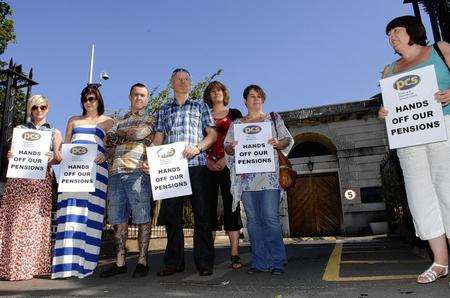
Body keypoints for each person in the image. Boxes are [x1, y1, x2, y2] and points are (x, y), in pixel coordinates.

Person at [378, 16, 450, 284]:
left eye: (396, 30)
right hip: (409, 138)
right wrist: (384, 112)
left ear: (412, 30)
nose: (391, 37)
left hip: (443, 127)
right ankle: (440, 262)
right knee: (420, 198)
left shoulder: (441, 51)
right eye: (388, 34)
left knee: (447, 190)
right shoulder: (389, 70)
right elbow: (390, 104)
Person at [154, 68, 217, 277]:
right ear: (172, 83)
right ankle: (174, 262)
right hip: (171, 170)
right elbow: (158, 139)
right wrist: (150, 160)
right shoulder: (163, 109)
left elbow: (212, 135)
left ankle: (204, 263)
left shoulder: (201, 106)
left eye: (186, 79)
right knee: (172, 216)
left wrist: (198, 147)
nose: (183, 82)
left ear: (190, 83)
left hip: (197, 165)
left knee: (202, 215)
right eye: (179, 79)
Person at [224, 85, 293, 275]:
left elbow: (287, 139)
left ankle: (277, 261)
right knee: (253, 221)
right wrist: (232, 147)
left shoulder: (273, 119)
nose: (256, 99)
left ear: (263, 99)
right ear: (245, 100)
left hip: (269, 177)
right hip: (245, 180)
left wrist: (279, 143)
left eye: (259, 96)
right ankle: (259, 262)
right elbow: (227, 148)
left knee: (270, 218)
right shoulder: (237, 124)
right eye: (252, 96)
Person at [52, 85, 113, 279]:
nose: (89, 102)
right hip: (72, 174)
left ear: (98, 100)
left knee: (90, 217)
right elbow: (65, 146)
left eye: (92, 98)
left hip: (96, 173)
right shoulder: (73, 120)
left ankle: (85, 265)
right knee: (69, 214)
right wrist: (56, 148)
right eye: (86, 99)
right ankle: (64, 265)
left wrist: (105, 155)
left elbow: (112, 147)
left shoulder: (108, 121)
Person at [0, 95, 62, 281]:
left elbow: (58, 159)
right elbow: (14, 154)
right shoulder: (19, 129)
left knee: (37, 223)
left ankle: (34, 266)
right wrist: (11, 155)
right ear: (30, 109)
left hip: (40, 182)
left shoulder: (54, 132)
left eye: (42, 107)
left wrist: (50, 157)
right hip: (19, 181)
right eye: (35, 107)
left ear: (48, 108)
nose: (39, 111)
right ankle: (11, 267)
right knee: (16, 221)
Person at [100, 83, 155, 278]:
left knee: (142, 217)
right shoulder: (120, 120)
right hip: (115, 172)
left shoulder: (150, 118)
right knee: (117, 218)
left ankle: (142, 261)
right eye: (136, 95)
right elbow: (107, 140)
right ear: (130, 96)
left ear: (146, 99)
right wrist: (127, 135)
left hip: (137, 171)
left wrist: (122, 136)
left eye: (143, 95)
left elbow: (141, 134)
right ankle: (120, 262)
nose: (139, 98)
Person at [203, 81, 243, 269]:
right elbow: (197, 140)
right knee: (208, 208)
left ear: (224, 93)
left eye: (219, 89)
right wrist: (208, 160)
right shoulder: (202, 115)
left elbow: (241, 140)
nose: (216, 93)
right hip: (207, 167)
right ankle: (208, 255)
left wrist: (225, 160)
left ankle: (234, 254)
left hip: (230, 166)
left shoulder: (235, 114)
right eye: (212, 91)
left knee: (232, 207)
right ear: (209, 96)